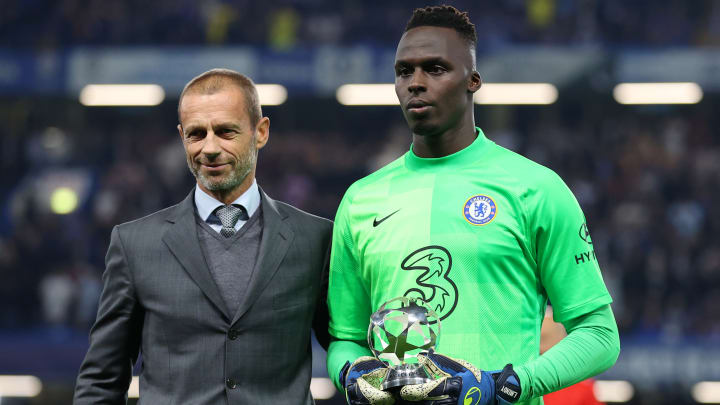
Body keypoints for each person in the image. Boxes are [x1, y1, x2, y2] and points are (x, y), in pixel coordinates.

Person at [326, 5, 620, 405]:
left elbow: (600, 335)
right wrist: (351, 374)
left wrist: (509, 386)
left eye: (435, 68)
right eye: (404, 71)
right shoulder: (361, 200)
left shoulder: (535, 189)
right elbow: (344, 337)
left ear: (474, 80)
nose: (416, 82)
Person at [74, 68, 332, 404]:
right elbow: (101, 381)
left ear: (261, 132)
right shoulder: (134, 244)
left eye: (225, 131)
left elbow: (347, 346)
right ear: (182, 137)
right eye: (197, 134)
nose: (209, 148)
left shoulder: (315, 238)